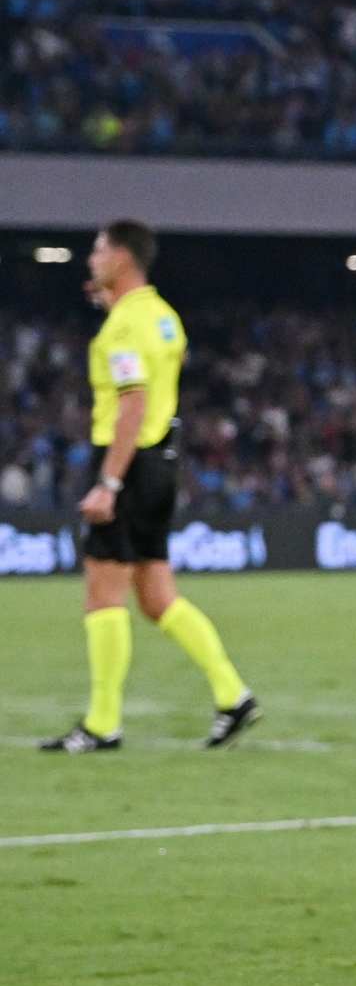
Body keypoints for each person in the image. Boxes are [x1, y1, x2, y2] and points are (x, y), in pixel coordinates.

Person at [42, 220, 260, 753]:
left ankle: (102, 723)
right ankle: (233, 695)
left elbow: (132, 401)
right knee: (158, 596)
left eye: (98, 249)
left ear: (121, 256)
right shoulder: (162, 316)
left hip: (129, 461)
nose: (90, 259)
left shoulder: (122, 328)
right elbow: (173, 363)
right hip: (163, 458)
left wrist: (108, 483)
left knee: (103, 591)